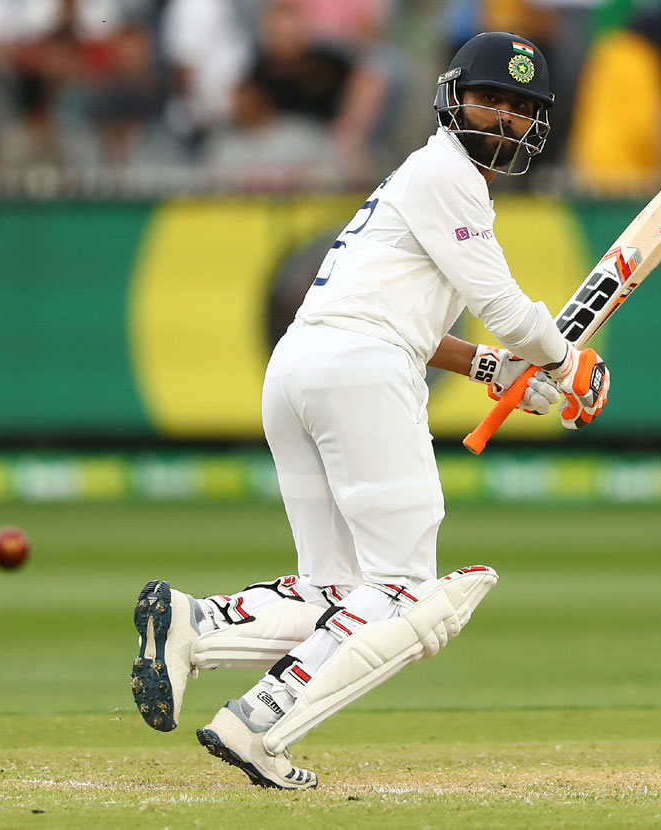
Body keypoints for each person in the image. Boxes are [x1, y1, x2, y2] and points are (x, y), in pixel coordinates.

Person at [129, 31, 611, 790]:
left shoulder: (425, 180)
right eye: (493, 99)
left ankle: (199, 625)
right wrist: (569, 364)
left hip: (299, 367)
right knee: (405, 591)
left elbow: (420, 322)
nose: (506, 120)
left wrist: (494, 366)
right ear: (455, 99)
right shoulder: (448, 173)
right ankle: (260, 720)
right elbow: (508, 310)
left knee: (336, 592)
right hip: (359, 371)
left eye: (523, 109)